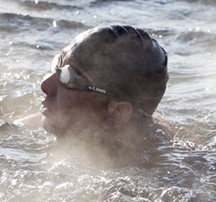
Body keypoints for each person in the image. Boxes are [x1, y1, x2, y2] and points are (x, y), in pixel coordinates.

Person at [19, 24, 170, 165]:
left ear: (115, 113)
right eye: (58, 64)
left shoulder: (156, 177)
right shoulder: (47, 119)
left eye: (68, 77)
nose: (45, 85)